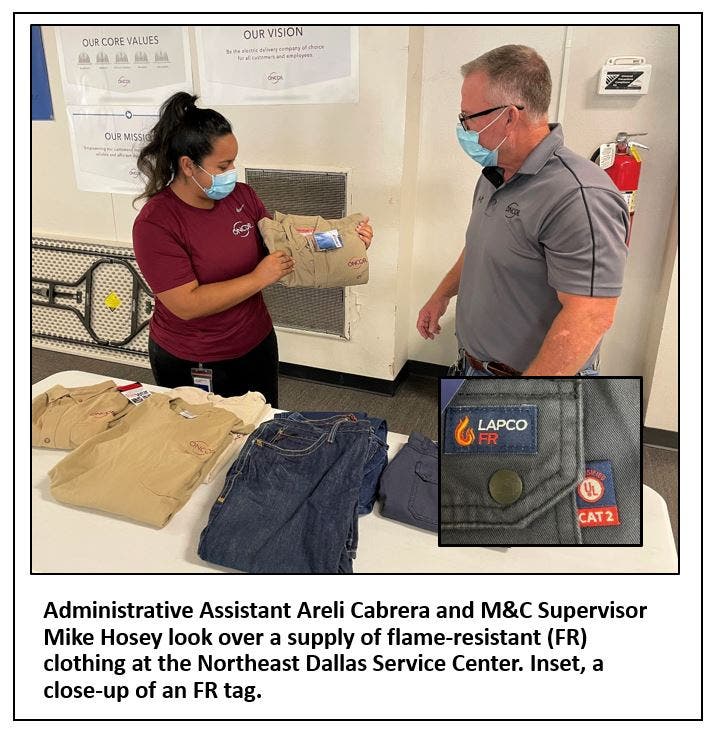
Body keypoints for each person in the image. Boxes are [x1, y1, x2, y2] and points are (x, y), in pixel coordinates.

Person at [132, 92, 373, 404]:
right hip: (194, 358)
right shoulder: (157, 223)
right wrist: (259, 278)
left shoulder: (242, 198)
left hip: (255, 344)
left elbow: (290, 247)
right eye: (223, 165)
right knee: (206, 442)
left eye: (234, 161)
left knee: (262, 428)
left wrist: (345, 242)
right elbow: (186, 305)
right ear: (188, 166)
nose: (232, 171)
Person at [416, 45, 630, 376]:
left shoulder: (579, 196)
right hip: (474, 368)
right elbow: (481, 246)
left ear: (510, 116)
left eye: (467, 117)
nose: (463, 129)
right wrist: (441, 295)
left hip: (525, 385)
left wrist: (524, 401)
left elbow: (590, 317)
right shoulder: (495, 173)